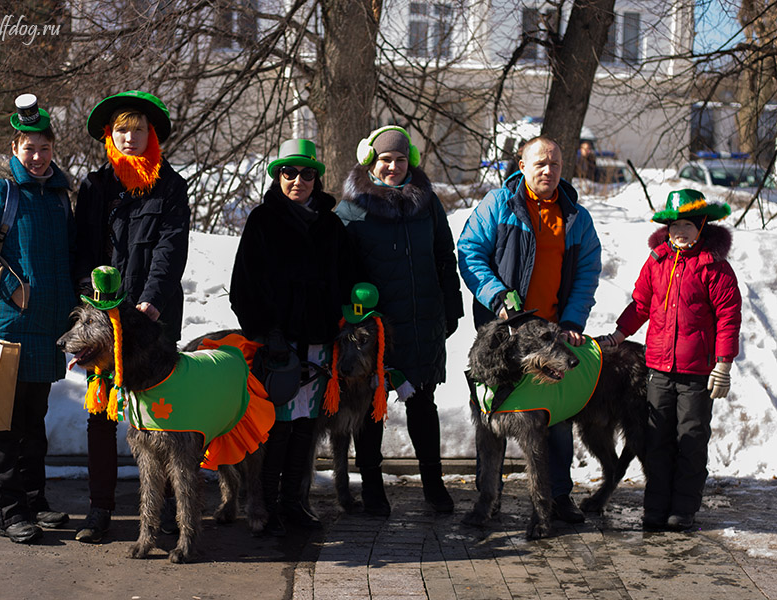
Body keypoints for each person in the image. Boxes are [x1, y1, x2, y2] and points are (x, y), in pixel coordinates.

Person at [457, 135, 602, 524]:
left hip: (550, 336)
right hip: (502, 335)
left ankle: (558, 497)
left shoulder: (576, 217)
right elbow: (469, 252)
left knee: (553, 418)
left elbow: (587, 273)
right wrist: (499, 297)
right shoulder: (498, 205)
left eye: (554, 164)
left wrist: (572, 322)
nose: (548, 171)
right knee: (491, 414)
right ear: (522, 166)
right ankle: (488, 499)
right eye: (539, 163)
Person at [72, 90, 191, 543]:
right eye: (121, 129)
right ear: (109, 134)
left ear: (151, 134)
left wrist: (152, 300)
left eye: (138, 129)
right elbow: (83, 251)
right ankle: (100, 508)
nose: (129, 137)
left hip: (153, 318)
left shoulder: (170, 185)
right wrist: (94, 302)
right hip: (102, 320)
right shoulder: (96, 186)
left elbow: (170, 246)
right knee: (101, 413)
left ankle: (159, 511)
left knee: (157, 414)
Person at [0, 94, 75, 543]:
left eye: (44, 147)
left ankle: (34, 499)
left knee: (35, 419)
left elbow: (68, 255)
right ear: (15, 148)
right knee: (5, 422)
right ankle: (9, 512)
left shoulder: (60, 194)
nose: (38, 156)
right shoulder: (1, 189)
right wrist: (10, 289)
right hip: (10, 325)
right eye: (29, 148)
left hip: (49, 329)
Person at [336, 125, 464, 515]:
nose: (393, 166)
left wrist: (451, 306)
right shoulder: (351, 209)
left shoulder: (427, 202)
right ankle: (372, 486)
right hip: (375, 328)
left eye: (400, 159)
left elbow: (445, 253)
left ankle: (433, 483)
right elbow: (341, 272)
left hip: (423, 320)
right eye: (385, 159)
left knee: (423, 402)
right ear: (370, 161)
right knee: (372, 406)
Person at [230, 138, 356, 535]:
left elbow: (349, 278)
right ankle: (264, 505)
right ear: (278, 176)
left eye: (306, 173)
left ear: (316, 178)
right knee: (278, 426)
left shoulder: (332, 225)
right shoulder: (262, 221)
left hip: (318, 342)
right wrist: (266, 332)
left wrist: (345, 317)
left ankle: (293, 503)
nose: (297, 180)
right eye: (289, 172)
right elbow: (243, 287)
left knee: (307, 426)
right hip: (277, 346)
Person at [597, 189, 741, 531]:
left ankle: (683, 509)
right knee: (656, 439)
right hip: (658, 369)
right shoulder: (658, 261)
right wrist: (618, 335)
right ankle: (655, 507)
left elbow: (728, 317)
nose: (680, 231)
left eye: (687, 225)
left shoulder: (715, 267)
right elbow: (641, 304)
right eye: (675, 224)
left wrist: (723, 363)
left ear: (702, 225)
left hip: (697, 373)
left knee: (690, 439)